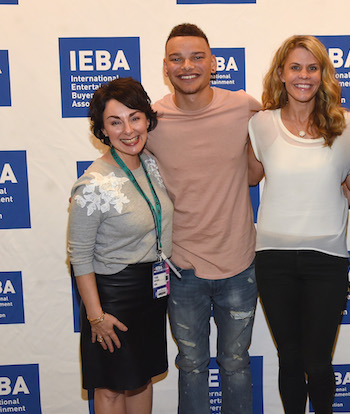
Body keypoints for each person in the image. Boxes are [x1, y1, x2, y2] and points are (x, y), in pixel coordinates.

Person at [145, 23, 261, 414]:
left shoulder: (242, 105)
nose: (187, 66)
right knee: (191, 366)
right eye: (176, 59)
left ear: (213, 63)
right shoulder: (152, 119)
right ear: (165, 67)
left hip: (239, 264)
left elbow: (289, 123)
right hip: (182, 270)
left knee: (236, 364)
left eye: (197, 57)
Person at [248, 35, 350, 414]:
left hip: (326, 259)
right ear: (281, 73)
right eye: (295, 67)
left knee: (318, 360)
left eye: (313, 67)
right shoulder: (260, 125)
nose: (304, 75)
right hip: (273, 259)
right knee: (289, 358)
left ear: (323, 74)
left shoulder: (347, 127)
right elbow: (247, 177)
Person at [67, 77, 173, 414]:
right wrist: (96, 317)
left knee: (141, 379)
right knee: (112, 388)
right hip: (113, 298)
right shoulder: (93, 184)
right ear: (102, 129)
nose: (128, 130)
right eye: (115, 121)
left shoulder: (151, 166)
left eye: (134, 117)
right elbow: (79, 256)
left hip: (151, 293)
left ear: (146, 119)